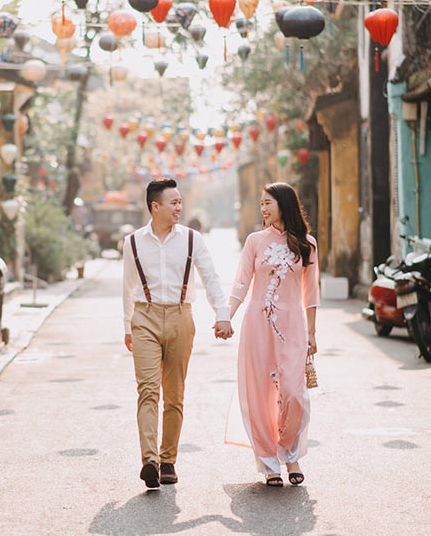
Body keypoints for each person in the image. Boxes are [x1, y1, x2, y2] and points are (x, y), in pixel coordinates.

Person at [122, 178, 231, 489]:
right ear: (155, 207)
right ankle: (150, 461)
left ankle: (168, 459)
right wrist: (126, 325)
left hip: (182, 317)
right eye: (173, 202)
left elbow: (211, 277)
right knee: (147, 390)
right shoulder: (133, 242)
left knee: (174, 394)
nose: (179, 207)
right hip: (145, 317)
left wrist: (222, 314)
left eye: (181, 202)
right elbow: (128, 286)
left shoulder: (192, 240)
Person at [214, 182, 319, 487]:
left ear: (284, 204)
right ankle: (269, 462)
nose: (262, 208)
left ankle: (290, 453)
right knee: (260, 394)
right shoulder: (255, 241)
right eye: (260, 203)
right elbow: (241, 284)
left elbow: (311, 292)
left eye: (267, 203)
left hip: (293, 328)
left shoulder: (307, 244)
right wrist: (225, 317)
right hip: (257, 327)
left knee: (294, 393)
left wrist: (312, 332)